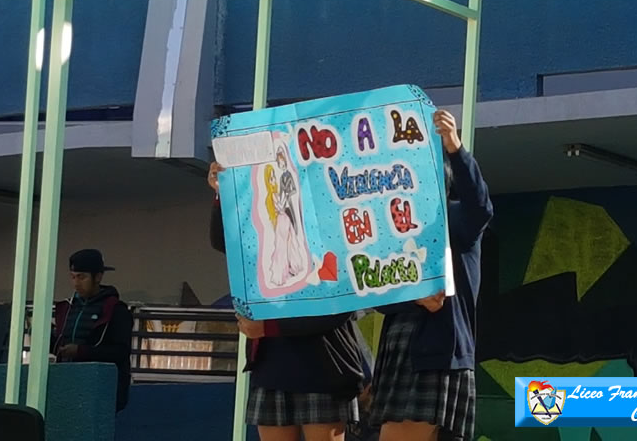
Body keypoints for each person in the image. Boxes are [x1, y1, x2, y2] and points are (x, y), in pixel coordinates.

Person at [208, 163, 366, 441]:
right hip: (273, 363)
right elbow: (226, 241)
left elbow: (339, 310)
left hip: (324, 364)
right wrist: (223, 193)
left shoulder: (336, 235)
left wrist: (270, 328)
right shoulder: (267, 229)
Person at [369, 109, 494, 441]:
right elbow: (378, 293)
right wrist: (413, 296)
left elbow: (480, 205)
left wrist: (454, 147)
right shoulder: (393, 233)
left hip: (440, 348)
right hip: (399, 349)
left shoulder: (456, 218)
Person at [51, 249, 134, 413]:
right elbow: (59, 344)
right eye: (73, 277)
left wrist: (81, 351)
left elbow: (121, 352)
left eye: (82, 277)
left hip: (100, 389)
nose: (76, 283)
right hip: (67, 385)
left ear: (98, 277)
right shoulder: (66, 308)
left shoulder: (116, 310)